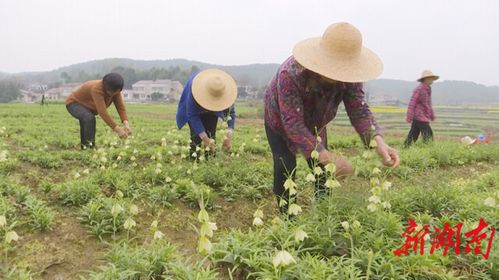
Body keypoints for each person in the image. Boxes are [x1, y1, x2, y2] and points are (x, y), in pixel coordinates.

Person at [264, 22, 400, 212]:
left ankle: (322, 213)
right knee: (285, 166)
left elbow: (358, 110)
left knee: (323, 172)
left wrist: (379, 142)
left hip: (316, 124)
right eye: (335, 68)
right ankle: (288, 218)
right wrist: (327, 156)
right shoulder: (291, 74)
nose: (339, 74)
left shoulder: (351, 76)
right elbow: (293, 125)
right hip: (279, 121)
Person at [176, 69, 237, 159]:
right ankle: (194, 161)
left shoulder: (224, 91)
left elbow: (230, 113)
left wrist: (228, 136)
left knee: (211, 134)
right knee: (196, 137)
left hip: (211, 113)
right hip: (194, 111)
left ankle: (210, 161)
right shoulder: (195, 90)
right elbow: (192, 115)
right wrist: (204, 139)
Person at [65, 73, 132, 149]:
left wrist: (126, 124)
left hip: (87, 107)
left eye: (117, 92)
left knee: (87, 120)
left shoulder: (115, 90)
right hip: (74, 103)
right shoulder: (97, 89)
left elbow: (120, 107)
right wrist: (118, 130)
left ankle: (85, 148)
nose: (114, 94)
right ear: (106, 87)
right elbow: (102, 112)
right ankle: (89, 149)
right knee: (89, 118)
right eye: (112, 92)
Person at [404, 70, 439, 147]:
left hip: (423, 116)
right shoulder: (419, 89)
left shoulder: (428, 89)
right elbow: (412, 102)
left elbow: (428, 103)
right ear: (425, 79)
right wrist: (409, 116)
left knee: (413, 134)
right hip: (419, 116)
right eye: (430, 78)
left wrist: (432, 115)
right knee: (428, 133)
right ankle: (428, 148)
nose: (432, 80)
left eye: (432, 78)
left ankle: (406, 147)